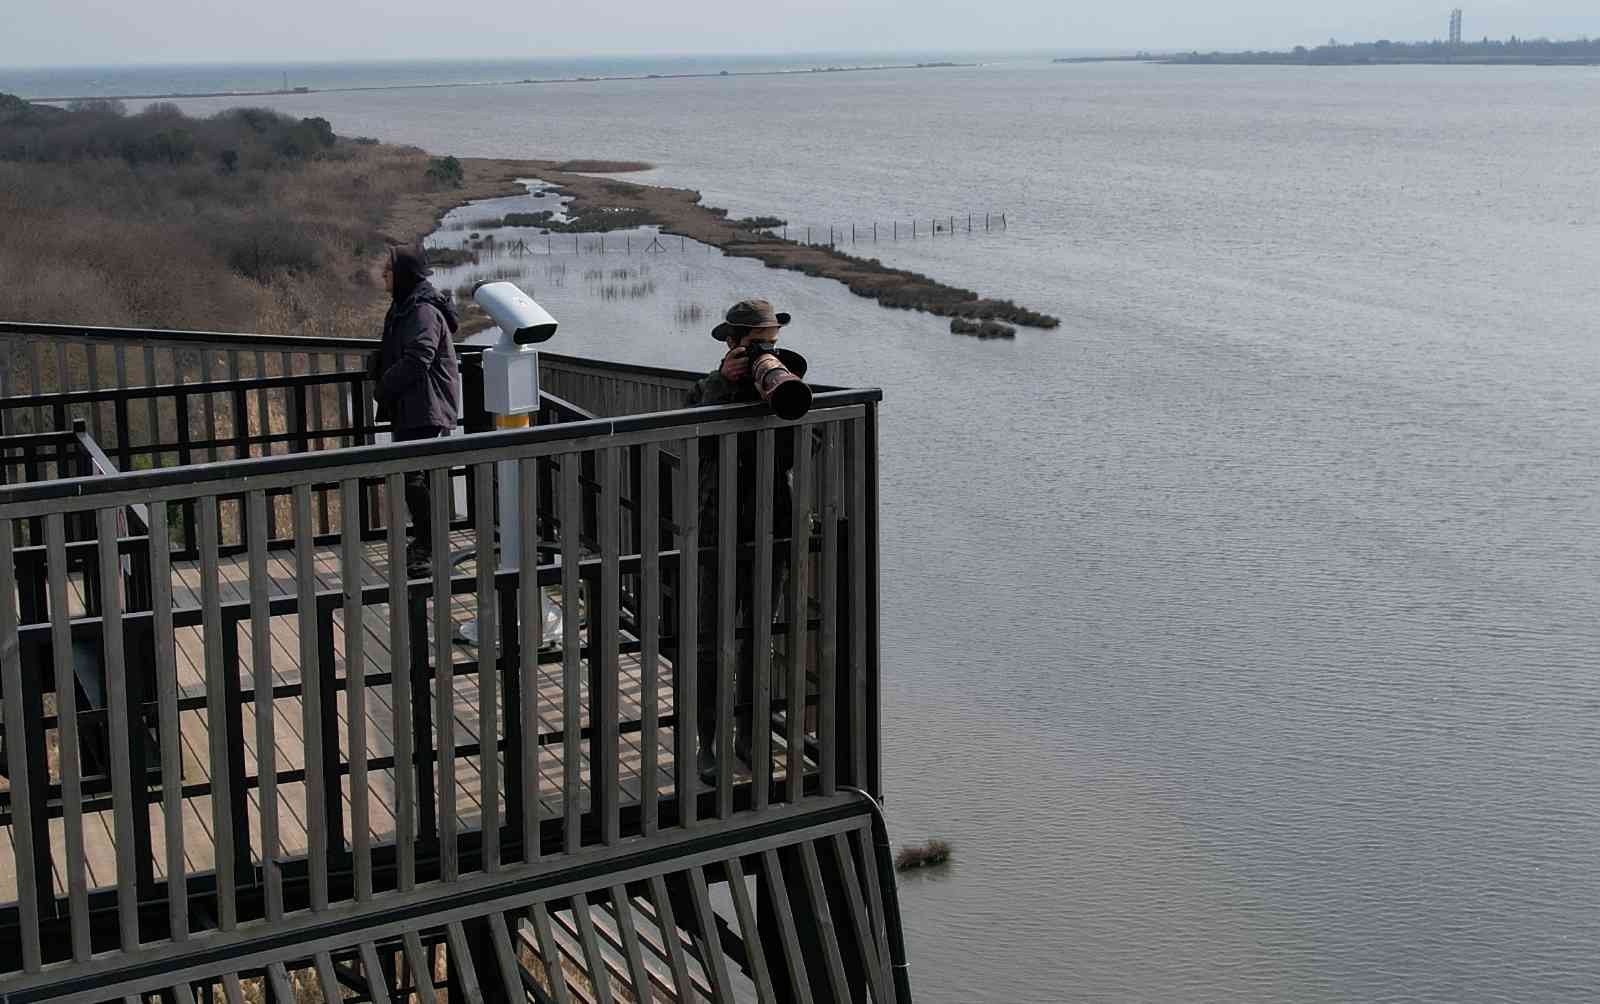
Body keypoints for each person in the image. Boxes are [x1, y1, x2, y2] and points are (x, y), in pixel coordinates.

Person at [686, 299, 800, 783]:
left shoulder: (784, 379)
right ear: (732, 343)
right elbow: (693, 435)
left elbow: (795, 452)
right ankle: (706, 744)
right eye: (756, 345)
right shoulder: (707, 388)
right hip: (718, 528)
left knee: (759, 641)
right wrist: (722, 384)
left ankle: (749, 740)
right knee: (712, 644)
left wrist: (782, 392)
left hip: (770, 526)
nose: (765, 353)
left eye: (770, 343)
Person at [375, 245, 460, 578]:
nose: (383, 276)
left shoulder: (422, 310)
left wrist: (384, 385)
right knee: (414, 475)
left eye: (388, 270)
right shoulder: (406, 305)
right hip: (415, 404)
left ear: (403, 275)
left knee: (413, 477)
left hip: (426, 405)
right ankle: (427, 542)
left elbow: (419, 357)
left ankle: (428, 545)